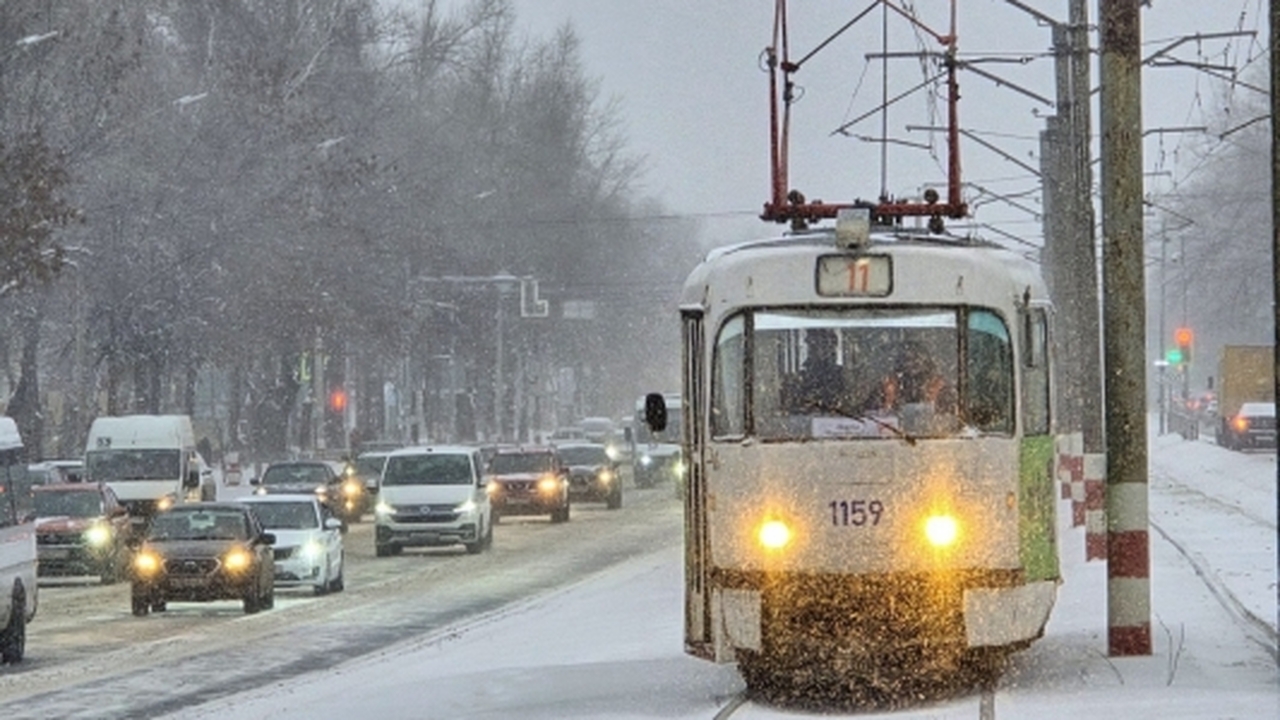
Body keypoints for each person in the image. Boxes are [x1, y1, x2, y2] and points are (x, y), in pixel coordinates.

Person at [788, 329, 850, 415]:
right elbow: (791, 410)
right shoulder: (799, 378)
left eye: (823, 344)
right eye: (812, 345)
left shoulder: (844, 376)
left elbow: (850, 406)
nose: (816, 349)